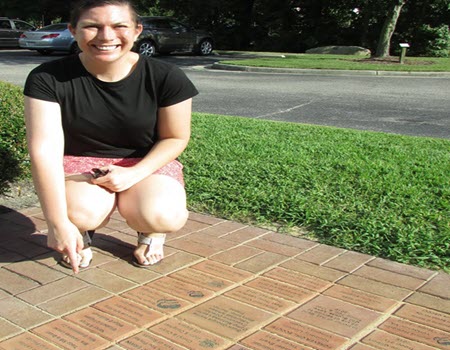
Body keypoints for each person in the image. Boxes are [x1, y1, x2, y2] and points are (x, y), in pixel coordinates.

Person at [23, 0, 198, 274]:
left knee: (162, 214)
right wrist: (58, 223)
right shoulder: (47, 78)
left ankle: (150, 233)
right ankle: (79, 232)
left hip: (145, 161)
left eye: (119, 26)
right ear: (73, 30)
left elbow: (175, 138)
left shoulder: (166, 76)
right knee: (79, 211)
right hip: (80, 163)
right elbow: (44, 150)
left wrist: (133, 174)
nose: (106, 37)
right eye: (92, 26)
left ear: (137, 30)